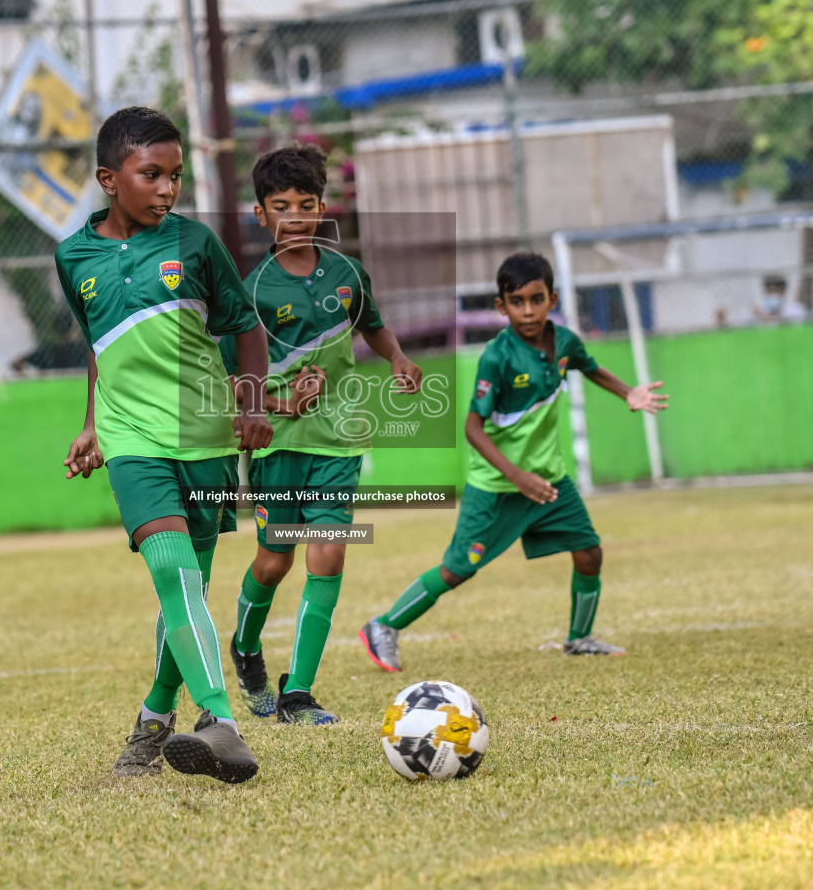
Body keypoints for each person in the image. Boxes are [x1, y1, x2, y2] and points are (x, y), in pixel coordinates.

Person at [55, 106, 272, 783]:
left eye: (175, 176)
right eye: (152, 174)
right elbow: (101, 344)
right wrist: (94, 423)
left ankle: (152, 723)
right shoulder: (74, 257)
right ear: (108, 179)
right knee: (174, 574)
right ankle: (221, 722)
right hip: (132, 442)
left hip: (203, 438)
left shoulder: (197, 245)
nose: (167, 188)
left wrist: (255, 401)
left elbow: (246, 327)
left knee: (191, 588)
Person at [359, 252, 668, 671]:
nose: (528, 310)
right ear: (501, 306)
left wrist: (627, 392)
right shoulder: (497, 357)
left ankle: (579, 638)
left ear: (552, 299)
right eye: (517, 301)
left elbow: (590, 368)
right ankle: (384, 625)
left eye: (536, 299)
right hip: (499, 486)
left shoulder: (564, 343)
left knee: (589, 552)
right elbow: (472, 427)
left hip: (548, 481)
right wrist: (517, 475)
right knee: (457, 570)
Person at [215, 144, 422, 726]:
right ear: (261, 215)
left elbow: (374, 328)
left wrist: (400, 360)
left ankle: (298, 692)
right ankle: (246, 647)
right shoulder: (251, 292)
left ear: (323, 208)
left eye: (306, 205)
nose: (296, 217)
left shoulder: (348, 274)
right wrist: (280, 400)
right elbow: (229, 379)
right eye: (282, 206)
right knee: (274, 562)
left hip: (338, 436)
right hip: (278, 442)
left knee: (328, 553)